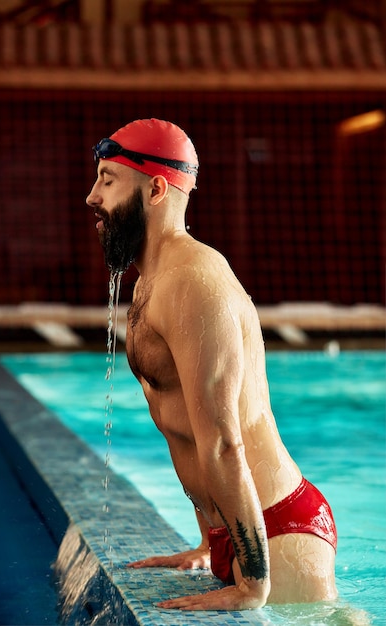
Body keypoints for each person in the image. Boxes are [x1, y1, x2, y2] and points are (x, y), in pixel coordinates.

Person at [86, 118, 338, 611]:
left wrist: (253, 585)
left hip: (278, 532)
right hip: (240, 531)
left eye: (108, 180)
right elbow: (181, 424)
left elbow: (223, 439)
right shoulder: (150, 281)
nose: (93, 197)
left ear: (156, 189)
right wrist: (209, 542)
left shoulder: (194, 281)